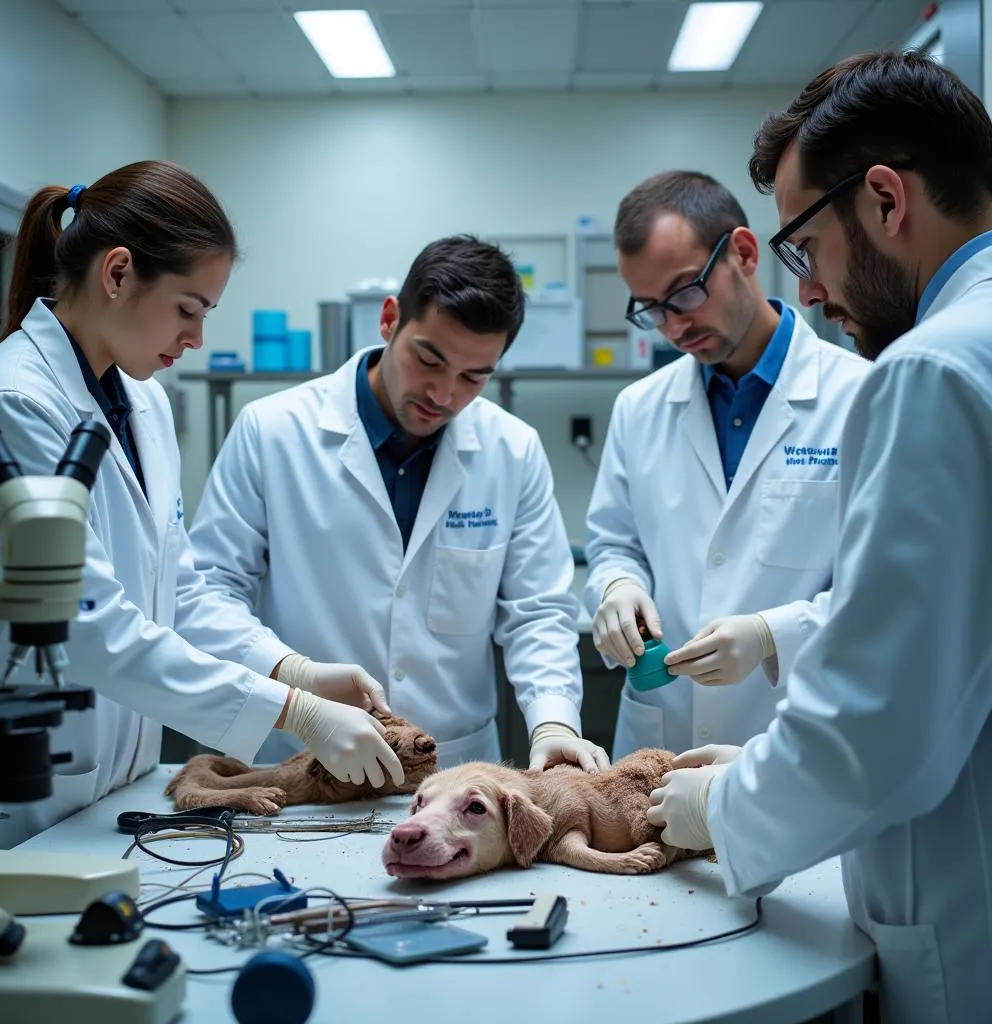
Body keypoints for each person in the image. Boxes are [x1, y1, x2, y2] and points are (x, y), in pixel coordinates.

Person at [646, 51, 992, 1023]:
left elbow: (874, 732)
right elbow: (955, 608)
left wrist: (725, 808)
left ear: (884, 200)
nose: (807, 291)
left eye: (803, 246)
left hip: (966, 929)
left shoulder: (929, 370)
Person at [0, 161, 402, 846]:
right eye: (187, 310)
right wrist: (295, 712)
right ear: (117, 273)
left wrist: (294, 671)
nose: (196, 338)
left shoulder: (141, 399)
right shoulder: (12, 402)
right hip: (25, 801)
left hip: (119, 788)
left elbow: (179, 590)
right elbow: (86, 625)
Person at [186, 234, 609, 772]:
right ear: (390, 320)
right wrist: (289, 679)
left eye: (473, 376)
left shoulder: (512, 450)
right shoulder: (271, 432)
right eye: (429, 359)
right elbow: (210, 591)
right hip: (300, 759)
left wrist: (552, 720)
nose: (444, 394)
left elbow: (538, 613)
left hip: (453, 774)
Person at [584, 170, 868, 759]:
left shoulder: (860, 396)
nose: (676, 326)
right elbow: (615, 542)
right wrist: (617, 585)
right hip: (659, 744)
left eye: (686, 292)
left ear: (742, 253)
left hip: (793, 735)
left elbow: (883, 590)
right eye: (653, 310)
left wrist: (774, 635)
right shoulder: (640, 408)